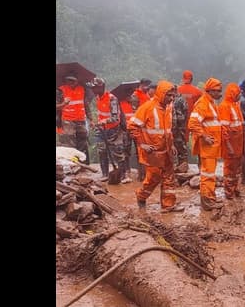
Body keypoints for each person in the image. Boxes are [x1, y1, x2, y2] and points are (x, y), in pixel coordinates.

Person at [128, 80, 182, 212]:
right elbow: (132, 126)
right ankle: (141, 196)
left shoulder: (169, 108)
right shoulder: (147, 107)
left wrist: (172, 145)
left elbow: (167, 130)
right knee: (153, 178)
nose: (171, 98)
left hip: (166, 150)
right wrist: (142, 144)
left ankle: (168, 205)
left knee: (169, 178)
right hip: (152, 152)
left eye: (173, 96)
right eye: (169, 95)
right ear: (161, 93)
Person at [189, 77, 225, 211]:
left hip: (213, 146)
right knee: (207, 174)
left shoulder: (211, 103)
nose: (220, 94)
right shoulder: (203, 104)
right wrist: (204, 137)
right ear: (210, 90)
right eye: (218, 91)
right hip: (208, 147)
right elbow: (192, 124)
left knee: (210, 174)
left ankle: (210, 197)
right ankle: (207, 202)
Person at [89, 78, 127, 183]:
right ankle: (105, 174)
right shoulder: (97, 98)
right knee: (101, 151)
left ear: (101, 87)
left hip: (113, 129)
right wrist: (97, 122)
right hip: (102, 129)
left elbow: (116, 118)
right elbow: (100, 113)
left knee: (118, 153)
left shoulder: (112, 99)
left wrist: (104, 121)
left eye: (94, 87)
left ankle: (123, 175)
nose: (92, 89)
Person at [218, 82, 245, 201]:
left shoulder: (235, 105)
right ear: (232, 94)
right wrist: (228, 145)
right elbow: (224, 129)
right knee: (229, 168)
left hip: (238, 142)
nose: (240, 95)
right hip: (231, 143)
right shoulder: (224, 106)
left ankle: (236, 189)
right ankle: (229, 191)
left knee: (237, 168)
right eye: (238, 93)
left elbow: (239, 124)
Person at [57, 75, 88, 156]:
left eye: (73, 80)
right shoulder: (61, 90)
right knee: (69, 144)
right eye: (68, 80)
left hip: (81, 119)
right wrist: (64, 103)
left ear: (77, 81)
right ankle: (72, 164)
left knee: (82, 141)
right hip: (68, 120)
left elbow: (86, 105)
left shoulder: (82, 89)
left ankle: (82, 163)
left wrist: (90, 119)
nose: (71, 82)